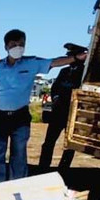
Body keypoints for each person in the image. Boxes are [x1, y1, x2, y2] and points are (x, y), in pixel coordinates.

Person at [0, 29, 87, 182]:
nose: (18, 47)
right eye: (14, 44)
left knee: (19, 152)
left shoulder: (32, 63)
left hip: (20, 117)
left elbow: (54, 62)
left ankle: (17, 184)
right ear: (6, 47)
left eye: (21, 44)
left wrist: (76, 58)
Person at [39, 43, 88, 171]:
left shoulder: (85, 73)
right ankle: (43, 168)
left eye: (72, 56)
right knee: (48, 142)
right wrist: (55, 99)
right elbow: (55, 88)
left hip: (73, 113)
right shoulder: (64, 71)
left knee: (69, 145)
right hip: (58, 111)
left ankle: (63, 169)